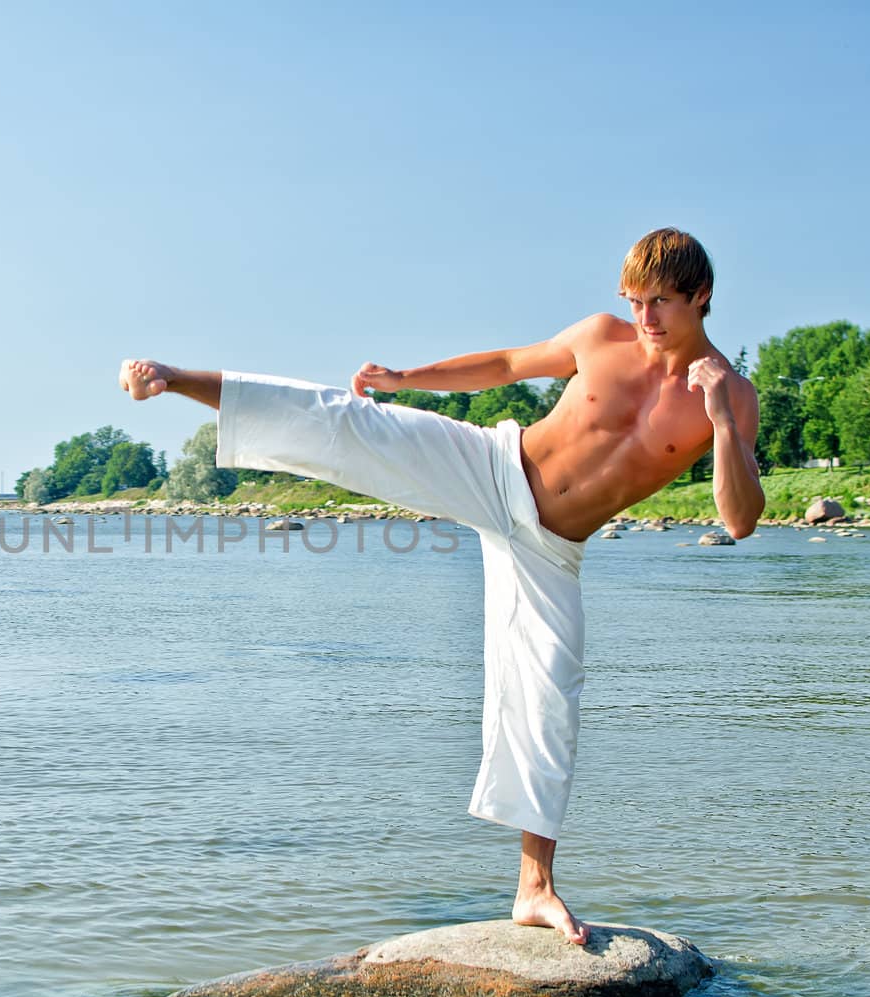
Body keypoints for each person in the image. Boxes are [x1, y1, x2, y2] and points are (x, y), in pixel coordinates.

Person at [117, 228, 763, 945]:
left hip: (551, 550)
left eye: (661, 305)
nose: (645, 320)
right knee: (355, 424)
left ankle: (534, 889)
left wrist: (724, 424)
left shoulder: (731, 395)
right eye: (635, 302)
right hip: (495, 468)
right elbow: (508, 365)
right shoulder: (600, 338)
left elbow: (739, 521)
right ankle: (176, 379)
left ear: (701, 296)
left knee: (550, 697)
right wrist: (406, 378)